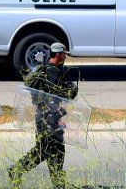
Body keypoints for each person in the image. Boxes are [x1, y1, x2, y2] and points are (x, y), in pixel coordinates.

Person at [9, 43, 78, 189]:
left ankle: (57, 182)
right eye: (64, 54)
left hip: (43, 114)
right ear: (58, 54)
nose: (65, 57)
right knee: (49, 150)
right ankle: (17, 170)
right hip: (49, 116)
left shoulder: (44, 69)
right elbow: (51, 98)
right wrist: (57, 118)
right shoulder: (52, 72)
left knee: (50, 149)